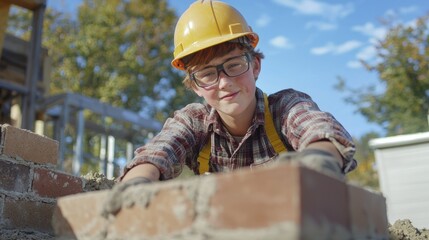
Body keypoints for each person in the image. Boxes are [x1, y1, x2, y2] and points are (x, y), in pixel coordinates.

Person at [119, 0, 357, 183]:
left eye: (234, 65)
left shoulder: (285, 108)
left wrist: (319, 163)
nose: (224, 82)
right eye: (208, 74)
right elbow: (157, 153)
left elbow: (318, 130)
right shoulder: (194, 123)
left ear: (255, 66)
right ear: (195, 86)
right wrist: (137, 183)